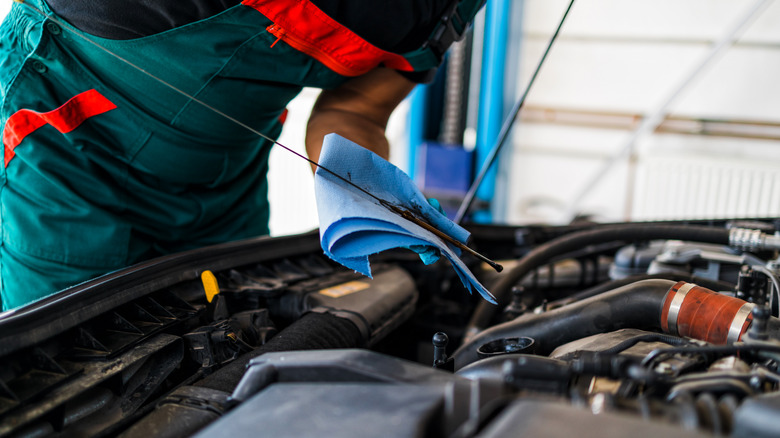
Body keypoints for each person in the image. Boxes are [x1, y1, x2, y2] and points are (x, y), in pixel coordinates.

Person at [0, 0, 482, 310]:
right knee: (72, 371)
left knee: (234, 344)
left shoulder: (436, 6)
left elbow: (358, 109)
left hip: (225, 183)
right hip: (67, 147)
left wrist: (367, 190)